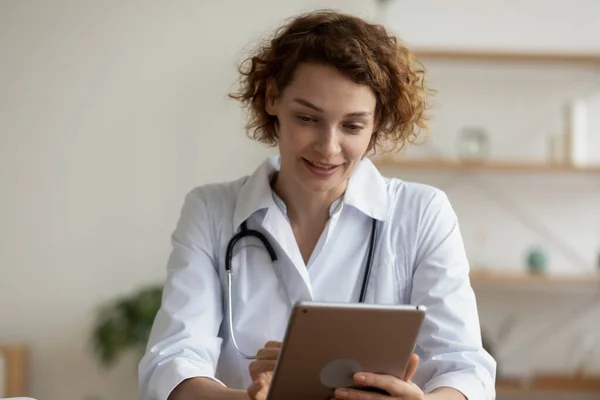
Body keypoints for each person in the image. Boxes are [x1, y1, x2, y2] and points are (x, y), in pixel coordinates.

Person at [138, 9, 496, 400]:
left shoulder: (422, 213)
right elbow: (171, 365)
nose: (328, 148)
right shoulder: (211, 210)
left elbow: (465, 367)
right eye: (308, 118)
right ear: (273, 98)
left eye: (353, 126)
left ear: (378, 121)